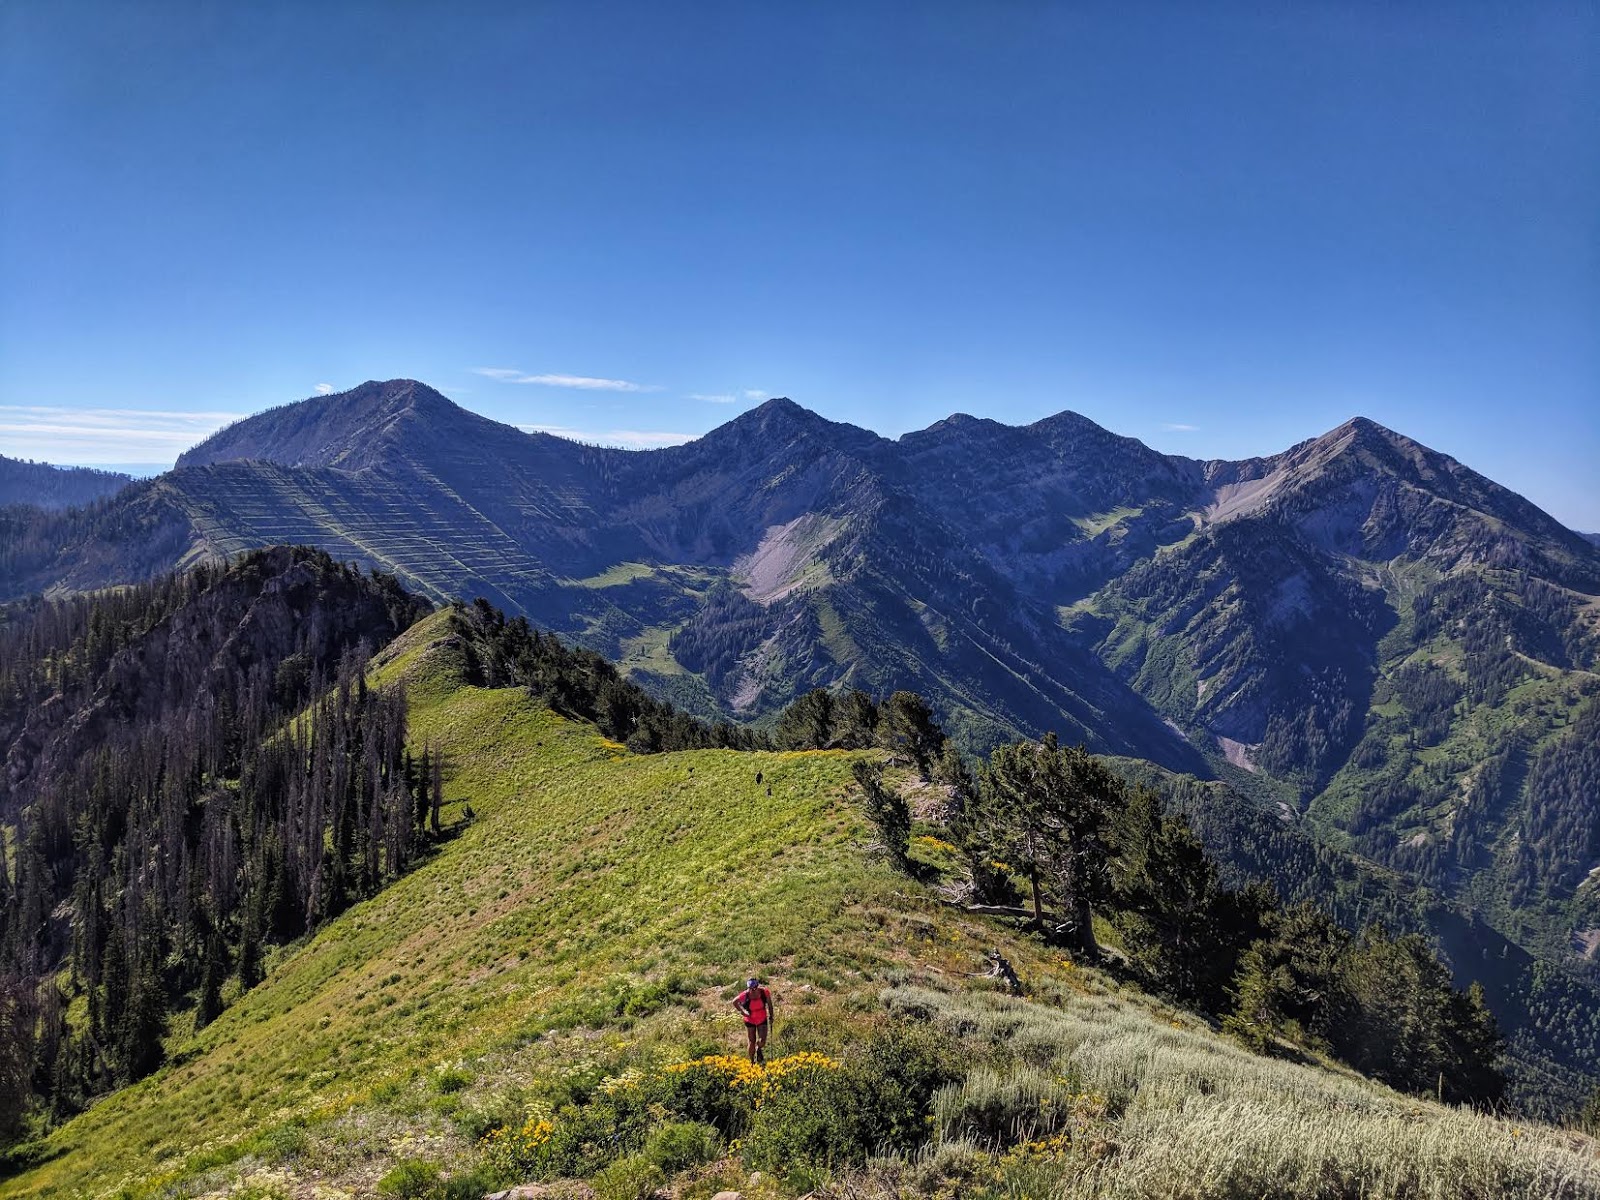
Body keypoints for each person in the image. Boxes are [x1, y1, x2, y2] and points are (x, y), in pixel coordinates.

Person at [734, 975, 773, 1064]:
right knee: (751, 1041)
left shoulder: (764, 992)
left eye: (753, 988)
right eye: (749, 988)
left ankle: (758, 1049)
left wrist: (771, 1016)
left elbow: (770, 1005)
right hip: (750, 1019)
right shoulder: (745, 995)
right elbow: (735, 1002)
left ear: (757, 987)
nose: (751, 990)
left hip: (762, 1018)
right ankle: (752, 1061)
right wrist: (743, 1011)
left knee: (762, 1041)